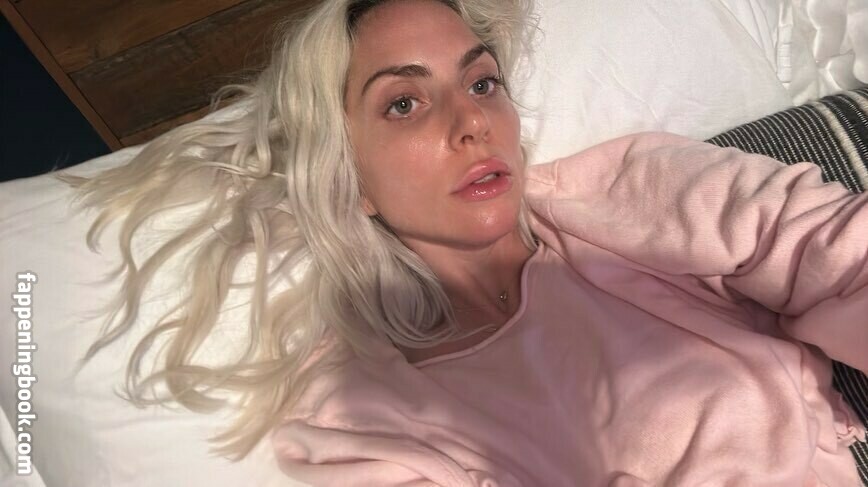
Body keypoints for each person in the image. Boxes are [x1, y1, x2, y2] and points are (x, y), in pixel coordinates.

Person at [66, 0, 867, 485]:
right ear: (348, 173)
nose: (472, 121)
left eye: (482, 82)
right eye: (404, 104)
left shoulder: (633, 192)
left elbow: (833, 244)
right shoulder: (359, 417)